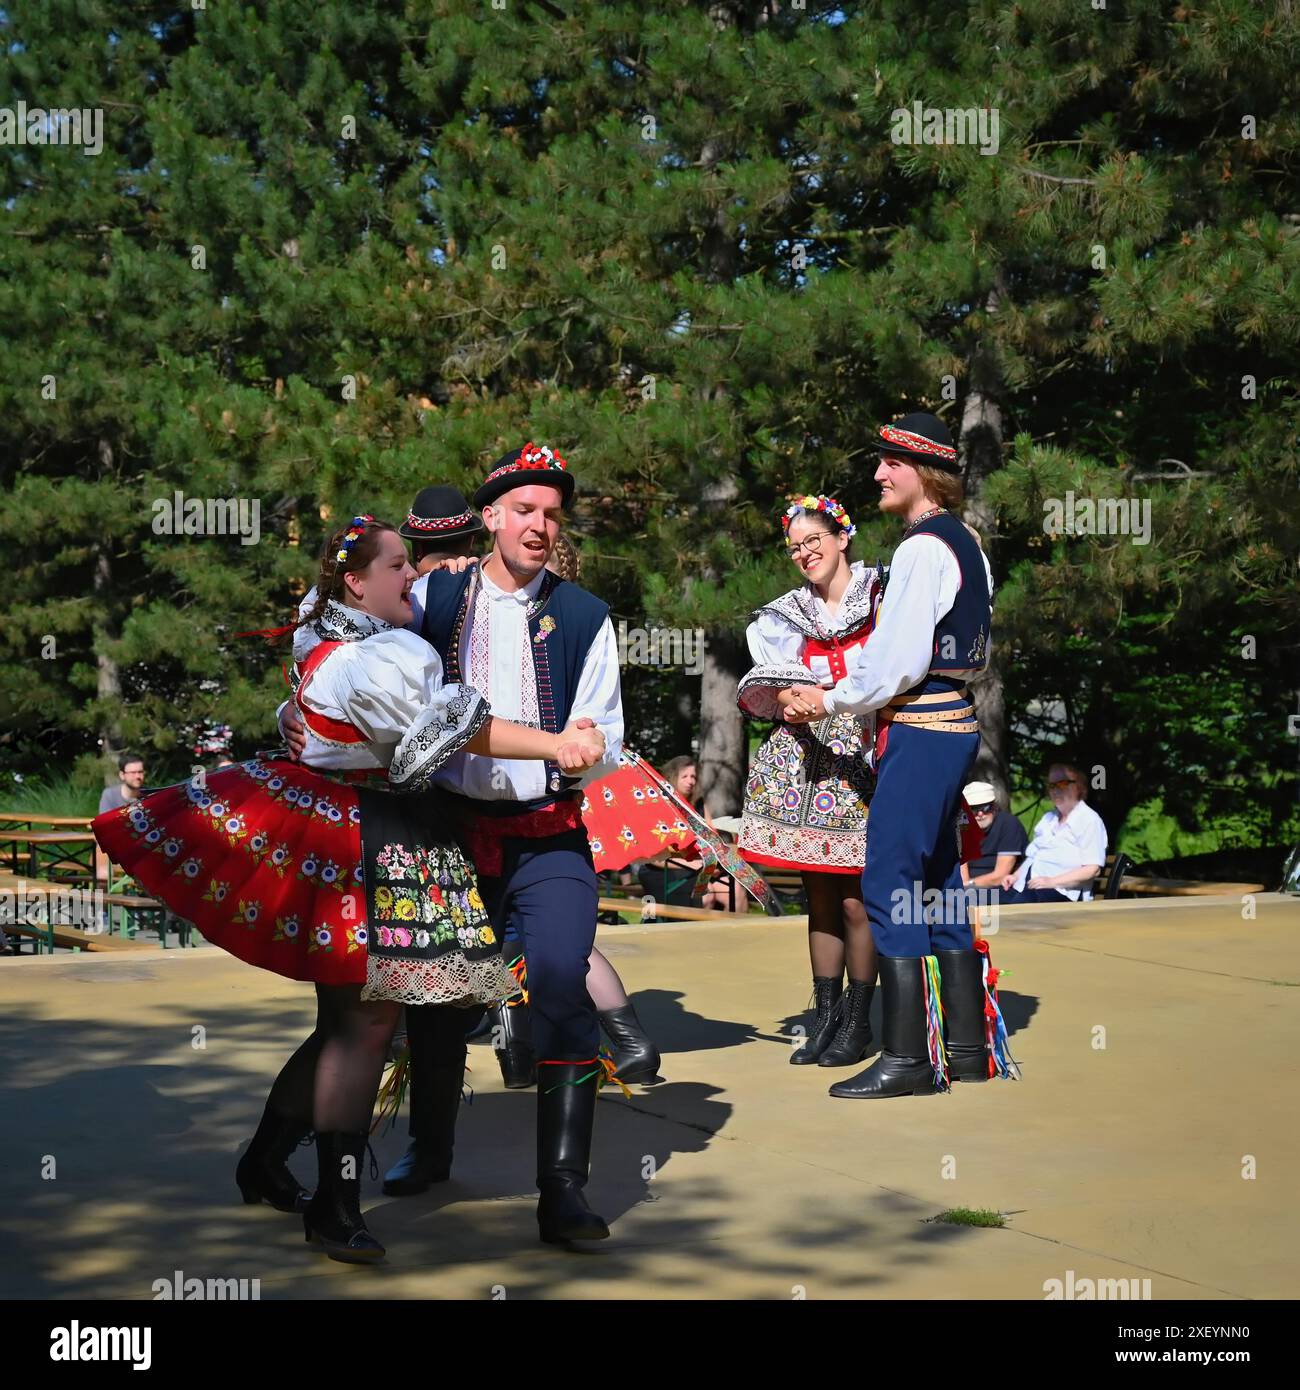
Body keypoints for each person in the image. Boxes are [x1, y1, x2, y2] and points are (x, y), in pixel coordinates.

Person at [94, 515, 604, 1264]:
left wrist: (300, 718)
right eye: (398, 566)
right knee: (363, 1023)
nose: (412, 578)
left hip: (371, 829)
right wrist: (556, 742)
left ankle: (271, 1160)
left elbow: (347, 707)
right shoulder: (381, 655)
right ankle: (331, 1203)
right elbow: (448, 729)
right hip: (367, 837)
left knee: (357, 1022)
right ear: (357, 583)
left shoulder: (336, 635)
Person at [283, 446, 628, 1244]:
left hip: (547, 837)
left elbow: (602, 736)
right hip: (444, 834)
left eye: (550, 514)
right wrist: (289, 712)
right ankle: (428, 1150)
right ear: (493, 519)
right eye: (525, 511)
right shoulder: (431, 594)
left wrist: (587, 751)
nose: (539, 526)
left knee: (560, 984)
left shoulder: (584, 615)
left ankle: (562, 1190)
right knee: (431, 1008)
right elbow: (335, 630)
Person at [785, 413, 1009, 1098]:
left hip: (920, 725)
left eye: (891, 464)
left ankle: (909, 1058)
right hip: (954, 725)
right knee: (938, 881)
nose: (878, 475)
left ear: (923, 472)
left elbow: (900, 660)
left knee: (887, 879)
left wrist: (827, 699)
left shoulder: (921, 549)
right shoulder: (966, 541)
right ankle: (967, 1050)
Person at [736, 495, 884, 1067]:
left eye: (813, 540)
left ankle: (858, 1019)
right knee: (818, 896)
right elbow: (771, 683)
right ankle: (824, 1017)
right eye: (795, 546)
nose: (804, 553)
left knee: (855, 899)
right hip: (805, 758)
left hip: (864, 752)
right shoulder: (783, 615)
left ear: (843, 537)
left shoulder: (881, 595)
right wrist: (788, 698)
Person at [998, 762, 1107, 904]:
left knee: (1007, 913)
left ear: (1078, 786)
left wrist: (1051, 881)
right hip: (1028, 887)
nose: (1055, 790)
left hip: (1061, 892)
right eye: (1051, 785)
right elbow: (1034, 856)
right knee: (974, 898)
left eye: (1061, 783)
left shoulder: (1089, 820)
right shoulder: (1049, 818)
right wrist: (1015, 876)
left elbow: (1092, 869)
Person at [960, 780, 1028, 890]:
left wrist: (968, 886)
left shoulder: (1008, 824)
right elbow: (961, 872)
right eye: (974, 809)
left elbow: (1000, 876)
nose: (980, 814)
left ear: (994, 806)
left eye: (985, 808)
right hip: (969, 890)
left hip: (1004, 889)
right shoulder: (962, 828)